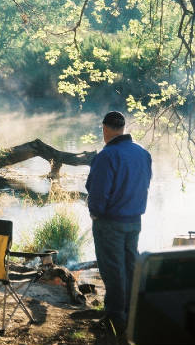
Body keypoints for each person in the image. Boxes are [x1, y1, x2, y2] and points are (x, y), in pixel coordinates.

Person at [86, 111, 152, 334]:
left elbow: (97, 191)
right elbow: (145, 184)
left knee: (113, 270)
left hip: (110, 222)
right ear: (123, 128)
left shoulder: (107, 155)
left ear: (105, 129)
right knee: (130, 267)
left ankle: (116, 320)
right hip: (134, 220)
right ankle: (132, 312)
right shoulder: (143, 153)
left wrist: (95, 213)